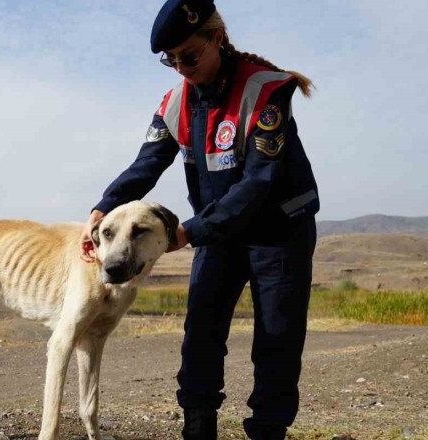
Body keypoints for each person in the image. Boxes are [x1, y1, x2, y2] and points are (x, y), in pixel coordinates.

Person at [79, 0, 319, 439]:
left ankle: (268, 431)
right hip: (217, 233)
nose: (180, 68)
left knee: (277, 338)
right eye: (170, 61)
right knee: (201, 335)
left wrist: (190, 231)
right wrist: (102, 208)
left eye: (188, 56)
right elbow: (146, 165)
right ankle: (198, 429)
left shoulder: (266, 91)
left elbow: (259, 182)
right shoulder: (174, 103)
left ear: (216, 38)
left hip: (277, 232)